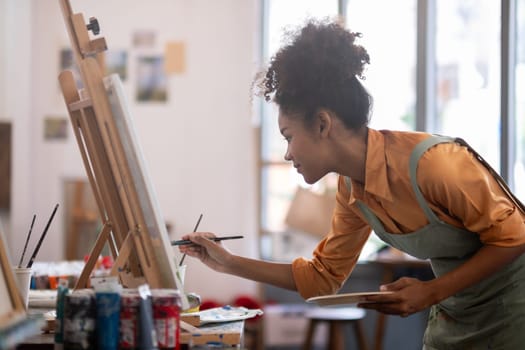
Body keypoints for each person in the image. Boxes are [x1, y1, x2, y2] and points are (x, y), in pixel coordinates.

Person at [179, 19, 525, 348]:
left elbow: (516, 236)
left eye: (289, 137)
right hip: (458, 315)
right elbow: (322, 279)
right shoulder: (352, 190)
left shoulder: (435, 163)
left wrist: (431, 290)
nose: (287, 154)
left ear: (322, 124)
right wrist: (227, 262)